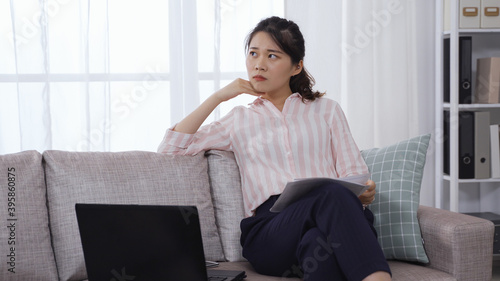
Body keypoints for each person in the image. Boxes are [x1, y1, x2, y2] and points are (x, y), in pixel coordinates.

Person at [158, 16, 391, 281]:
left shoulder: (327, 111)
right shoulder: (238, 119)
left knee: (317, 241)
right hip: (271, 231)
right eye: (254, 54)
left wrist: (366, 190)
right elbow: (171, 149)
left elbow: (354, 174)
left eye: (272, 56)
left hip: (329, 217)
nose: (259, 64)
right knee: (330, 193)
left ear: (296, 66)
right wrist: (218, 97)